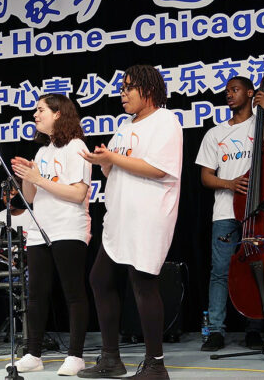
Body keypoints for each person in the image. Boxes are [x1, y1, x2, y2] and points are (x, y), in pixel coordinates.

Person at [79, 65, 182, 379]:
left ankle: (156, 365)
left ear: (148, 90)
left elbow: (158, 168)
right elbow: (114, 168)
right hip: (120, 216)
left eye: (128, 88)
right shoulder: (125, 125)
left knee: (143, 284)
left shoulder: (166, 121)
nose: (122, 94)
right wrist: (104, 161)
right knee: (100, 278)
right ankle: (111, 358)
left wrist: (112, 159)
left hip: (147, 216)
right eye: (121, 88)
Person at [195, 76, 264, 351]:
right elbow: (205, 177)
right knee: (220, 272)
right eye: (226, 91)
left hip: (259, 212)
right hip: (226, 212)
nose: (229, 95)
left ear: (250, 93)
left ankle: (255, 328)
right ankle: (216, 330)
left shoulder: (261, 124)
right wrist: (229, 183)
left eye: (235, 90)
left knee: (257, 271)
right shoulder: (215, 134)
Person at [10, 93, 91, 376]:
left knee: (73, 293)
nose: (35, 114)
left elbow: (78, 193)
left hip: (68, 228)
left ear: (58, 114)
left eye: (40, 109)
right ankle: (33, 353)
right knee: (36, 295)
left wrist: (39, 178)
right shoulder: (42, 152)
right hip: (40, 230)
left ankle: (76, 355)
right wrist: (26, 175)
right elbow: (32, 196)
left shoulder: (76, 146)